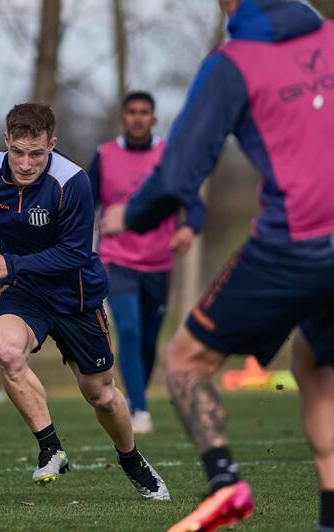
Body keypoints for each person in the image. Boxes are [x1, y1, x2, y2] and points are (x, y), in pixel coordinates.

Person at [100, 1, 334, 530]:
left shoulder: (235, 61)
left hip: (294, 245)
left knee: (185, 361)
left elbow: (175, 177)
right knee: (313, 360)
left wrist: (129, 215)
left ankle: (225, 484)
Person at [0, 102, 169, 500]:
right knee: (8, 352)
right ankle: (50, 446)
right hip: (23, 291)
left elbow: (75, 255)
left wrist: (8, 263)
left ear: (52, 145)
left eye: (37, 154)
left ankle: (132, 459)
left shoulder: (73, 181)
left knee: (100, 394)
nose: (26, 164)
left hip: (75, 295)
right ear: (6, 141)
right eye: (18, 152)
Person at [89, 91, 205, 434]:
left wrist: (187, 229)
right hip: (117, 259)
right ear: (123, 117)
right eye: (132, 112)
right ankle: (139, 410)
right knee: (129, 328)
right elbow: (85, 202)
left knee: (149, 339)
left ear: (153, 118)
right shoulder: (105, 156)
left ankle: (139, 397)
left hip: (158, 263)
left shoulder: (168, 156)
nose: (138, 118)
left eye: (144, 112)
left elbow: (195, 205)